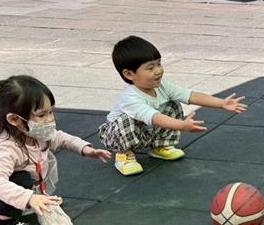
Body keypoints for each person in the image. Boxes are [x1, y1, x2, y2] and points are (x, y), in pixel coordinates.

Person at [0, 76, 111, 225]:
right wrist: (30, 198)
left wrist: (85, 149)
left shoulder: (33, 133)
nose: (50, 119)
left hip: (0, 192)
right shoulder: (3, 147)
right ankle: (3, 224)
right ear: (15, 119)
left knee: (33, 167)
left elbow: (60, 138)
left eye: (51, 112)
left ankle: (20, 205)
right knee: (21, 177)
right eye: (42, 114)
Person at [101, 36, 248, 175]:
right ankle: (124, 155)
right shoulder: (130, 97)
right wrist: (182, 125)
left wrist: (221, 103)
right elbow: (154, 117)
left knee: (173, 105)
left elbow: (190, 95)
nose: (158, 71)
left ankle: (159, 146)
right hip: (117, 136)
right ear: (129, 74)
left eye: (159, 64)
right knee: (126, 118)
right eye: (150, 68)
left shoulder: (162, 86)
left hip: (145, 131)